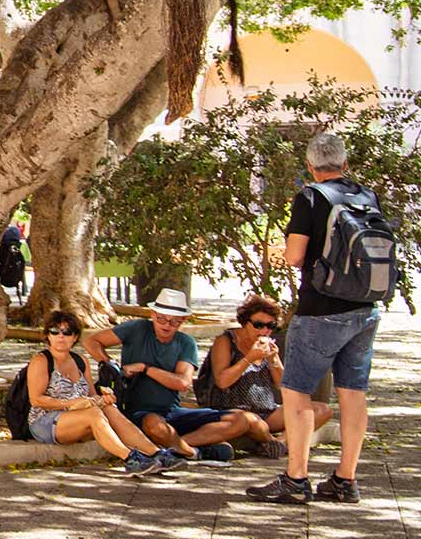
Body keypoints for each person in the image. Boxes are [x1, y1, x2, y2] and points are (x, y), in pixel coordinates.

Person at [247, 132, 383, 505]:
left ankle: (296, 478)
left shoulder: (310, 196)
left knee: (296, 392)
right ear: (344, 164)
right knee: (353, 392)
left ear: (310, 165)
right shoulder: (365, 196)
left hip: (321, 309)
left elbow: (294, 256)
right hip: (366, 308)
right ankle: (345, 479)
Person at [84, 288, 268, 463]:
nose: (167, 325)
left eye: (174, 321)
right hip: (139, 412)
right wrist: (110, 364)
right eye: (162, 319)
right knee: (154, 424)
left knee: (243, 419)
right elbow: (91, 341)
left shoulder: (185, 343)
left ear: (183, 320)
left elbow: (183, 383)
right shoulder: (137, 328)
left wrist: (145, 368)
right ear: (153, 315)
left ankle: (174, 449)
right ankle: (193, 452)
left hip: (172, 411)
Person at [26, 310, 174, 475]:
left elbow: (91, 394)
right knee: (94, 414)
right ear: (48, 335)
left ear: (75, 337)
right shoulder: (41, 361)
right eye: (55, 331)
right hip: (46, 421)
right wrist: (72, 403)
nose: (61, 336)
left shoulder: (80, 361)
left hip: (79, 415)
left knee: (109, 409)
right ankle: (130, 458)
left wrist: (103, 398)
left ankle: (156, 454)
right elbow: (36, 400)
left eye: (67, 332)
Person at [197, 295, 332, 460]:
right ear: (245, 322)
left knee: (321, 410)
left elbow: (284, 387)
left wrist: (274, 360)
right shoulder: (226, 341)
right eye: (258, 325)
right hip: (233, 410)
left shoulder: (267, 346)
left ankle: (279, 444)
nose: (264, 331)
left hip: (266, 411)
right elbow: (222, 381)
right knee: (251, 420)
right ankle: (270, 442)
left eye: (270, 326)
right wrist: (249, 359)